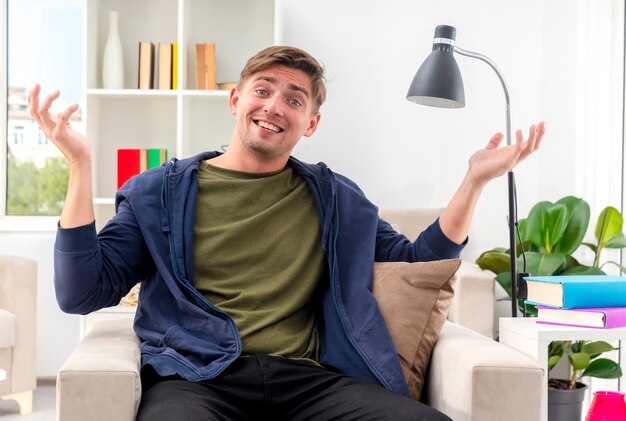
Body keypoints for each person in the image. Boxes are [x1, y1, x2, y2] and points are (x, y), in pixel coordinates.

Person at [29, 45, 544, 420]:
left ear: (311, 123)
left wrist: (474, 182)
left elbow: (416, 259)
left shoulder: (336, 197)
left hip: (312, 381)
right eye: (263, 90)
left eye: (295, 99)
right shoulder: (157, 193)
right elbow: (81, 292)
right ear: (235, 100)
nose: (275, 106)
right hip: (197, 378)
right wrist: (80, 164)